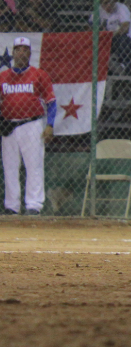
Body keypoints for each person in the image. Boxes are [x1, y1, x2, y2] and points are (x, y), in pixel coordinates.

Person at [0, 37, 56, 216]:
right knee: (10, 166)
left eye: (25, 49)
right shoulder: (3, 77)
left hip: (31, 124)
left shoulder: (39, 74)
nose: (21, 52)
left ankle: (33, 205)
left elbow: (51, 102)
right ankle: (12, 206)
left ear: (30, 53)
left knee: (34, 165)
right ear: (13, 52)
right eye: (18, 49)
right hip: (8, 125)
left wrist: (50, 125)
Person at [90, 0, 131, 68]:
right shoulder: (98, 10)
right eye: (105, 3)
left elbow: (125, 28)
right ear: (101, 3)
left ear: (115, 0)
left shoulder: (121, 8)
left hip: (126, 39)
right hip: (106, 39)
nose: (109, 5)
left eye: (111, 2)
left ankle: (122, 65)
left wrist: (109, 35)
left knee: (121, 39)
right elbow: (89, 26)